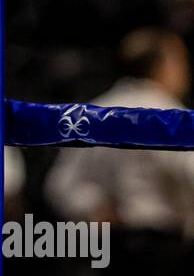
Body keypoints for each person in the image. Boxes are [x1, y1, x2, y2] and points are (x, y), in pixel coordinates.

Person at [44, 29, 194, 238]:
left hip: (109, 244)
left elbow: (59, 185)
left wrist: (95, 207)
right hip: (165, 244)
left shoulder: (92, 113)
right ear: (164, 67)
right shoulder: (172, 116)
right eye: (181, 63)